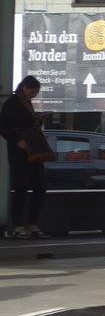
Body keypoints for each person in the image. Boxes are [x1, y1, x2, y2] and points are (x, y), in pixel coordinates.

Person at [0, 75, 51, 239]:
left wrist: (38, 120)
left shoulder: (27, 104)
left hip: (33, 149)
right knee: (21, 187)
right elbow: (4, 126)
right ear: (23, 88)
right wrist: (17, 141)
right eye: (31, 91)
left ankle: (32, 224)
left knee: (39, 187)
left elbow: (28, 124)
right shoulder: (12, 103)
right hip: (19, 150)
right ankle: (17, 226)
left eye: (36, 92)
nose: (33, 95)